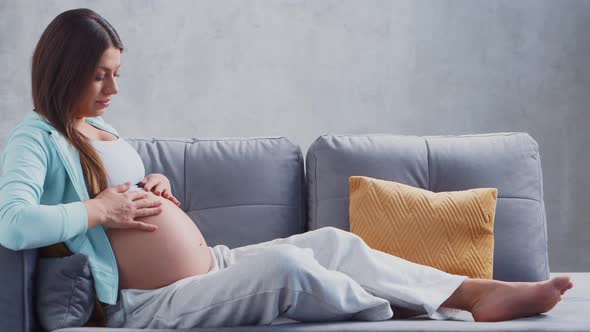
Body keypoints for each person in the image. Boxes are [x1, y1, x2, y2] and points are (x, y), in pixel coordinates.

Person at [0, 8, 573, 329]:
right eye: (101, 74)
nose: (114, 88)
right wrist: (101, 210)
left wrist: (156, 183)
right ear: (64, 68)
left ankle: (473, 291)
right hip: (150, 303)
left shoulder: (100, 129)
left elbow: (121, 194)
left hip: (208, 265)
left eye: (117, 72)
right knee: (287, 268)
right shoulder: (37, 138)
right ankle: (425, 310)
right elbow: (14, 223)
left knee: (331, 242)